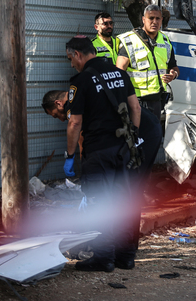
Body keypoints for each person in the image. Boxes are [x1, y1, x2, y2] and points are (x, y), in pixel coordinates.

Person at [41, 89, 162, 265]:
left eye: (55, 115)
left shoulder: (72, 106)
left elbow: (83, 139)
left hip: (143, 131)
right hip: (143, 128)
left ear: (58, 103)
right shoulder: (84, 94)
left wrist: (86, 171)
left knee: (128, 190)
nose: (59, 119)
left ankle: (122, 250)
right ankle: (126, 251)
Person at [63, 36, 141, 272]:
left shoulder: (80, 81)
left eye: (70, 59)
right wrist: (133, 139)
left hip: (99, 152)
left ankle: (104, 258)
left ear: (77, 54)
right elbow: (135, 107)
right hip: (124, 149)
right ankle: (126, 257)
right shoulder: (119, 73)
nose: (71, 64)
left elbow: (75, 123)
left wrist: (69, 156)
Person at [116, 4, 179, 121]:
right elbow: (118, 73)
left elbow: (174, 67)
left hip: (157, 101)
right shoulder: (130, 41)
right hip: (136, 102)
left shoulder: (165, 41)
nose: (154, 22)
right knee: (136, 136)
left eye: (158, 18)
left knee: (153, 137)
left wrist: (173, 74)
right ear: (143, 20)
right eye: (151, 18)